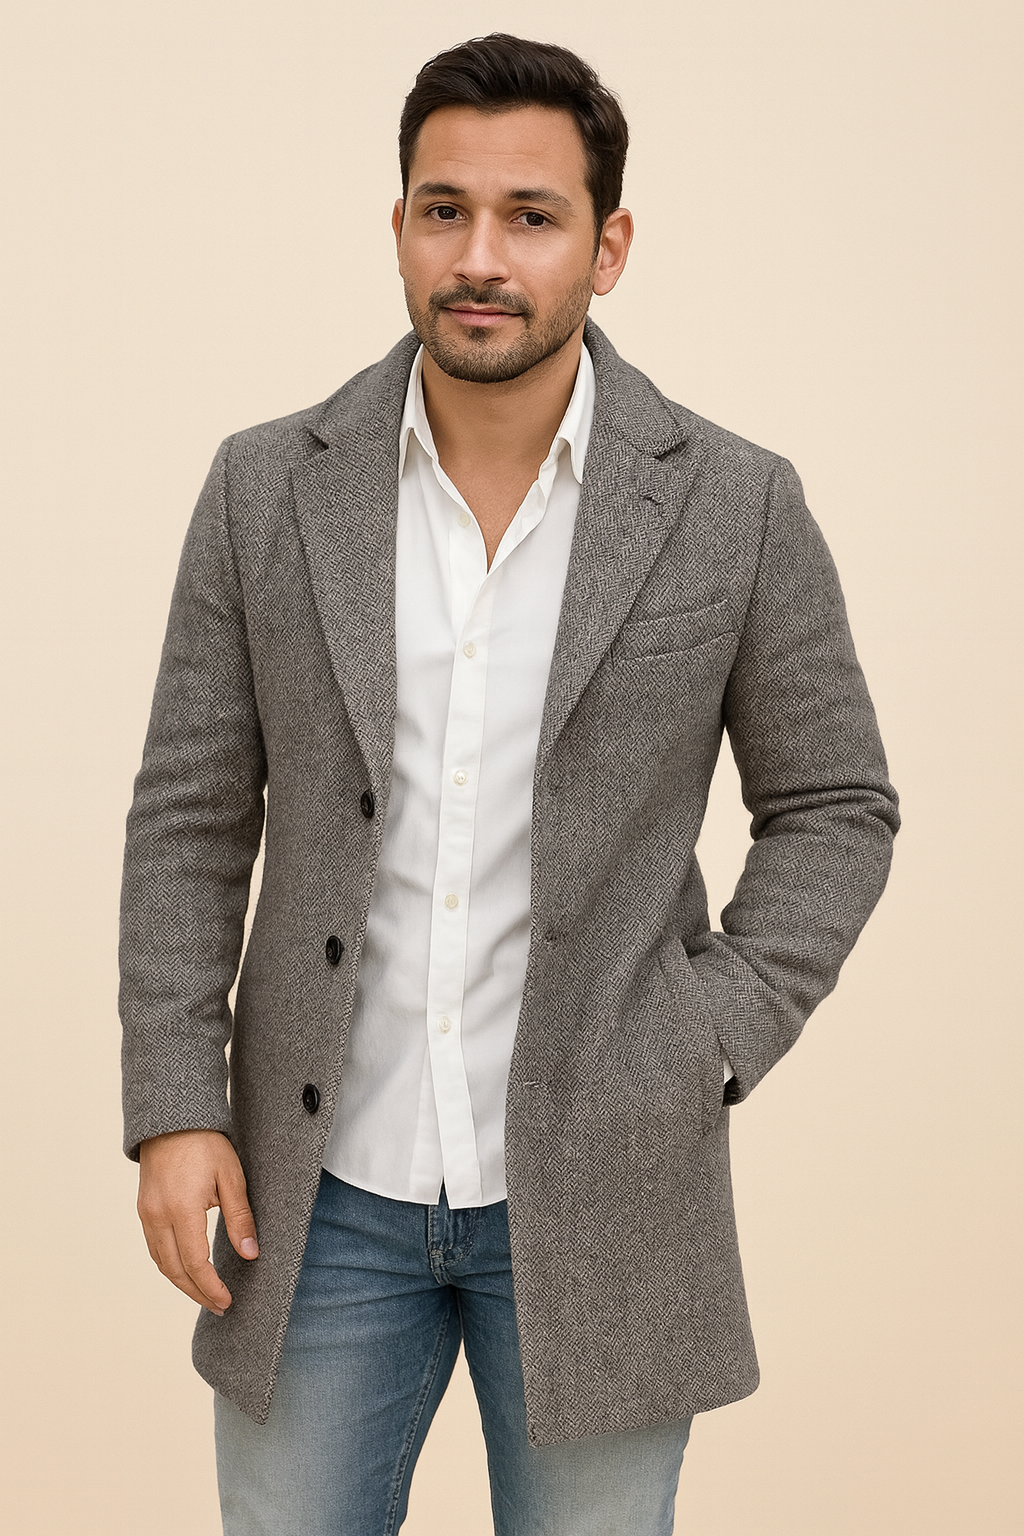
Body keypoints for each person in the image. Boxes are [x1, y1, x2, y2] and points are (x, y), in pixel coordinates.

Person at [120, 32, 899, 1536]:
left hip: (608, 1194)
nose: (481, 257)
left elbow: (836, 806)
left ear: (608, 247)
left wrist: (706, 1041)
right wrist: (173, 1105)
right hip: (315, 1197)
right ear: (399, 226)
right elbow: (188, 820)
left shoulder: (735, 504)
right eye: (445, 210)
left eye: (531, 216)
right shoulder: (265, 488)